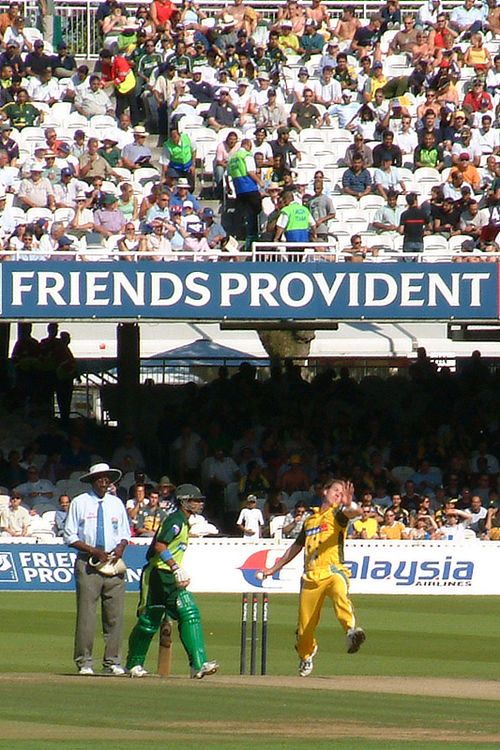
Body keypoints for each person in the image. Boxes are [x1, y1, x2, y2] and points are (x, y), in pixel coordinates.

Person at [259, 479, 366, 677]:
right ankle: (306, 654)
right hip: (311, 576)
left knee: (339, 592)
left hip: (334, 569)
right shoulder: (310, 520)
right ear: (325, 491)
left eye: (342, 493)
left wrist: (350, 503)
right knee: (305, 628)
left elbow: (355, 513)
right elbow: (296, 547)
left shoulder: (338, 514)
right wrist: (274, 568)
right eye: (335, 490)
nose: (338, 495)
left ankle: (351, 631)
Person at [125, 484, 219, 678]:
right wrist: (175, 567)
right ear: (184, 501)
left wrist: (176, 570)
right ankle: (134, 663)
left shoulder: (184, 522)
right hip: (158, 574)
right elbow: (160, 545)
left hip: (169, 575)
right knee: (150, 619)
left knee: (189, 613)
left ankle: (198, 665)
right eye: (195, 500)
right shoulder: (175, 520)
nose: (199, 503)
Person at [63, 462, 130, 676]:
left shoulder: (116, 503)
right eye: (100, 477)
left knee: (115, 616)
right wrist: (93, 551)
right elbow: (70, 536)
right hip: (88, 564)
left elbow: (125, 533)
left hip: (112, 563)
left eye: (107, 478)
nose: (105, 481)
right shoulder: (80, 503)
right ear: (92, 480)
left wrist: (120, 548)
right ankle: (84, 662)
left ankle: (112, 662)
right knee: (86, 615)